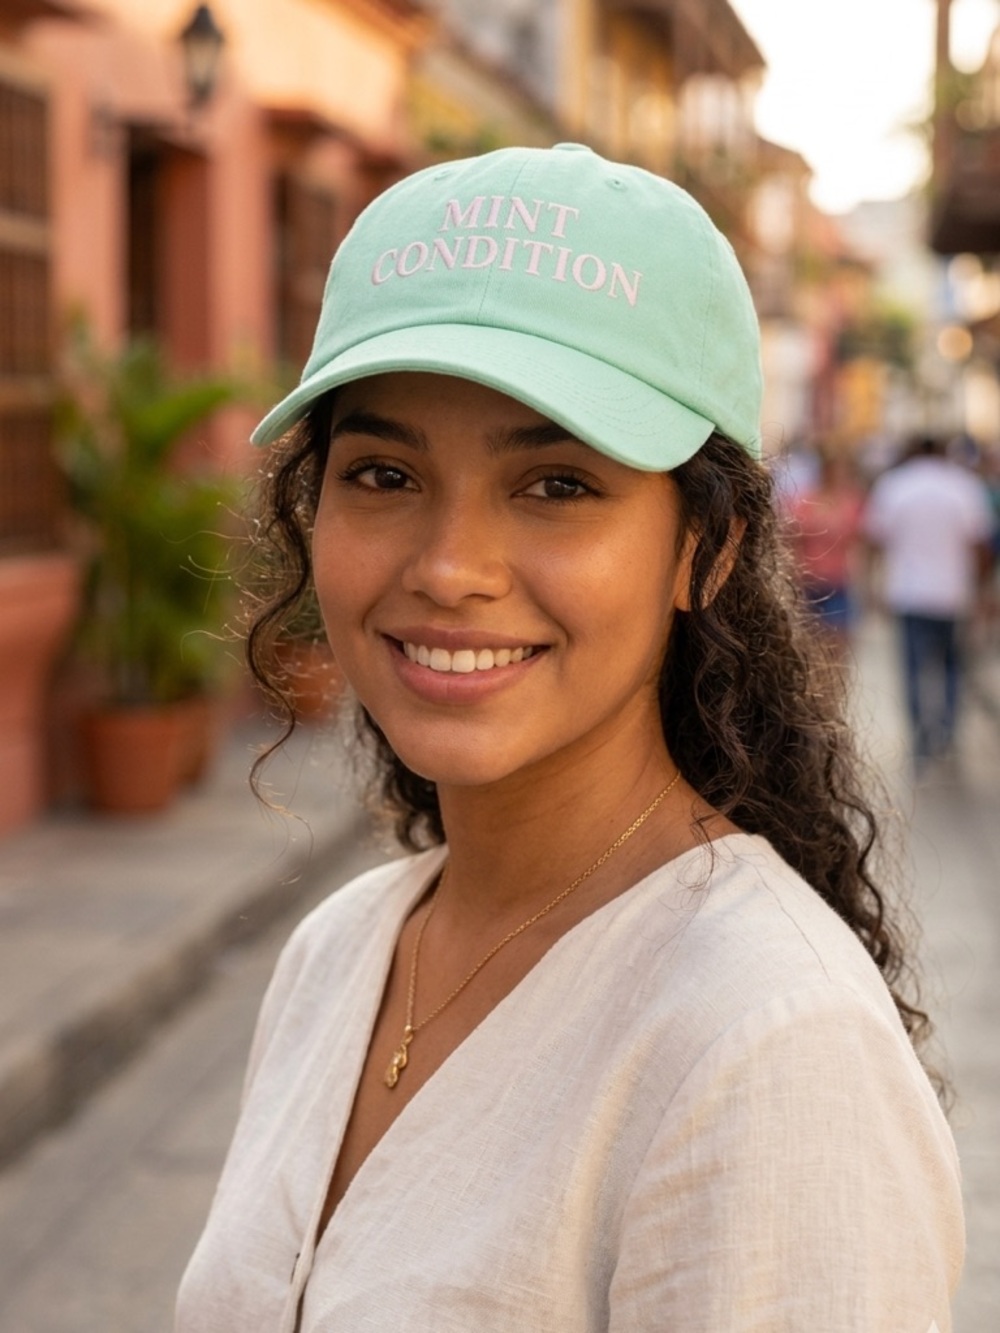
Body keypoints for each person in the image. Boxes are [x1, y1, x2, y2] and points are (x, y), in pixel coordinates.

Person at [176, 145, 963, 1331]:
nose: (449, 568)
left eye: (556, 485)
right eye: (383, 472)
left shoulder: (768, 1046)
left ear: (706, 549)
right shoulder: (338, 952)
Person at [864, 433, 995, 770]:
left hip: (909, 593)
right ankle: (946, 733)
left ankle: (920, 735)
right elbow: (980, 545)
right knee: (951, 667)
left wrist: (871, 586)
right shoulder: (963, 486)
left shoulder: (895, 485)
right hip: (953, 594)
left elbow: (875, 541)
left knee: (913, 668)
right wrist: (981, 591)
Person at [784, 447, 864, 659]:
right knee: (809, 645)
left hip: (838, 580)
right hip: (809, 580)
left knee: (838, 643)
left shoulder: (850, 502)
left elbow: (859, 541)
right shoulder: (807, 501)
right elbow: (791, 537)